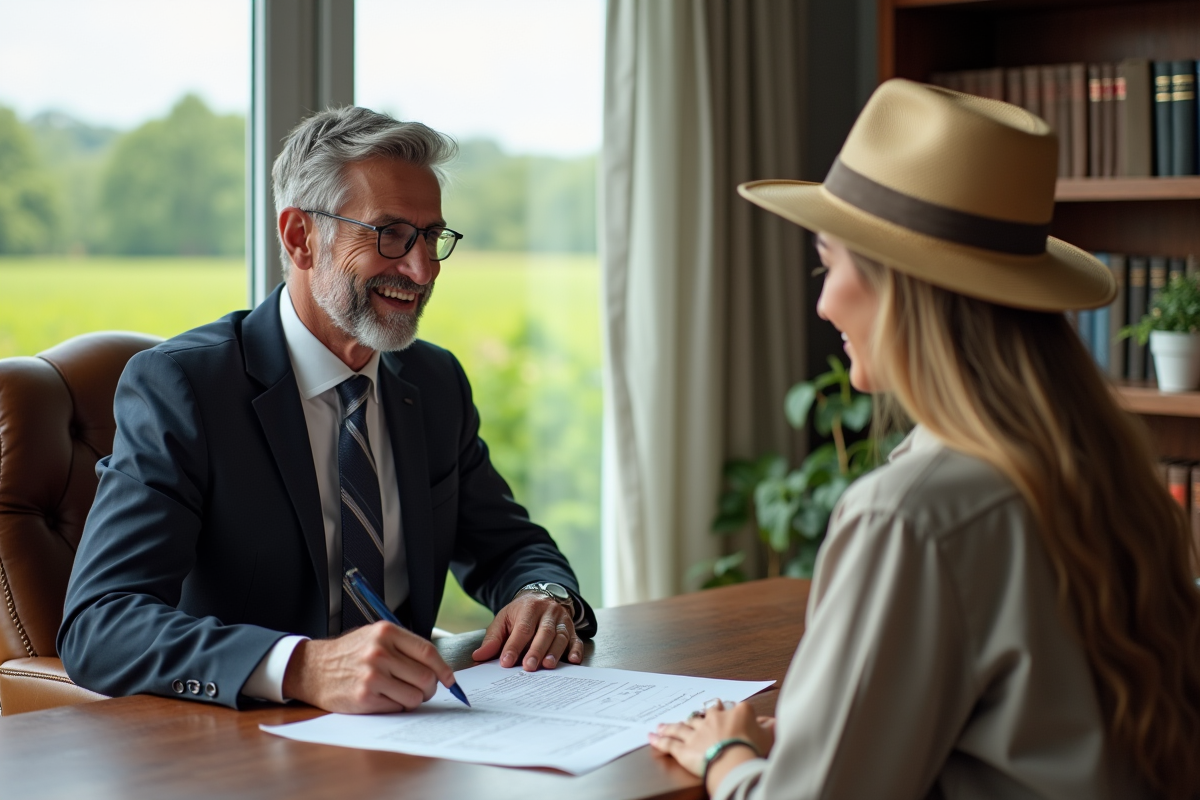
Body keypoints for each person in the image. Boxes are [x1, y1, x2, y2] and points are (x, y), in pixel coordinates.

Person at [650, 79, 1200, 799]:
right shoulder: (1108, 471)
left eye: (828, 263)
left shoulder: (912, 514)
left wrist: (727, 756)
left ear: (903, 286)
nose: (821, 302)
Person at [58, 107, 597, 714]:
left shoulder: (433, 380)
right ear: (300, 238)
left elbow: (508, 545)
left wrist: (543, 595)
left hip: (413, 733)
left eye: (431, 237)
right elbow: (100, 625)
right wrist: (302, 666)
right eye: (390, 233)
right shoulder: (184, 387)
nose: (421, 270)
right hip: (246, 745)